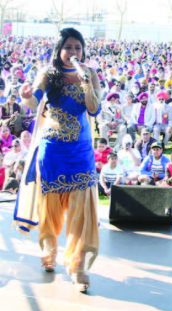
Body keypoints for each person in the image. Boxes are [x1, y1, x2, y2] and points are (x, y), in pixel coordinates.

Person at [15, 28, 101, 292]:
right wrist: (26, 95)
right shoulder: (48, 73)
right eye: (69, 47)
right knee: (50, 208)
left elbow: (94, 109)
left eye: (78, 47)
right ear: (59, 49)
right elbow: (33, 103)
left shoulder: (91, 73)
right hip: (53, 150)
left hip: (81, 150)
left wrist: (87, 82)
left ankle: (78, 266)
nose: (73, 52)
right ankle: (49, 252)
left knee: (81, 212)